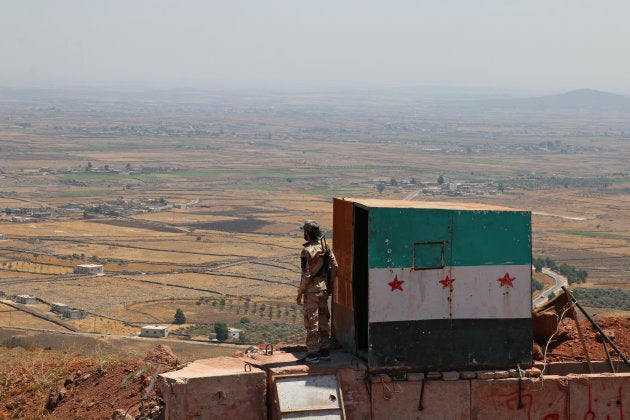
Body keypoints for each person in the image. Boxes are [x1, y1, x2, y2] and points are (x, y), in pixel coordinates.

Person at [296, 220, 338, 364]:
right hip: (323, 289)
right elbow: (335, 266)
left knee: (311, 321)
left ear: (307, 233)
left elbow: (306, 274)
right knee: (324, 320)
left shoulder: (306, 251)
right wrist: (330, 285)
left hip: (311, 292)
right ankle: (325, 351)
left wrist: (300, 292)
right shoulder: (325, 246)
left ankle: (313, 354)